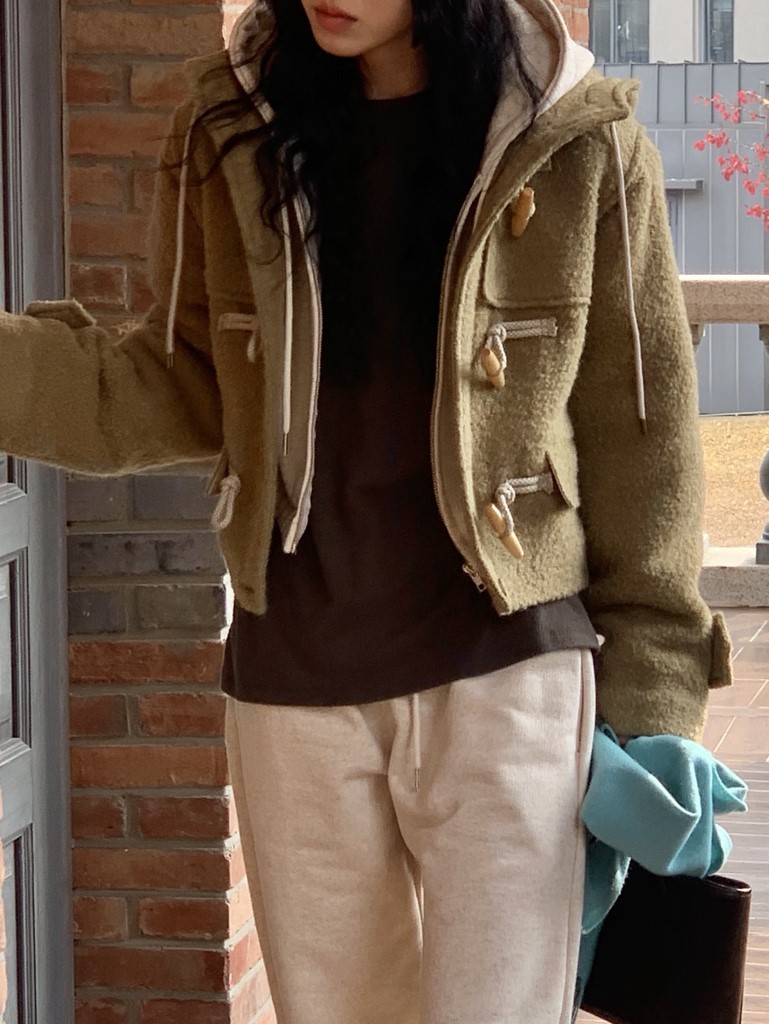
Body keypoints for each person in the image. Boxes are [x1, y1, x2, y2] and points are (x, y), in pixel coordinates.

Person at [0, 1, 734, 1021]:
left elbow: (642, 445)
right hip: (296, 680)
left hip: (506, 675)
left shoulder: (580, 139)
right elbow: (183, 382)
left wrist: (655, 700)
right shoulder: (229, 129)